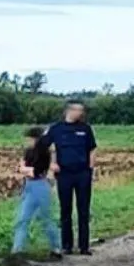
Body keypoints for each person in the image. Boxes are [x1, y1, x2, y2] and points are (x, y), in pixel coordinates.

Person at [40, 100, 97, 255]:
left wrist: (90, 169)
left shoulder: (85, 129)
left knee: (83, 210)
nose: (81, 113)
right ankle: (67, 245)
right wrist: (50, 165)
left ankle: (84, 246)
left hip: (82, 173)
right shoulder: (56, 129)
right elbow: (41, 146)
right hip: (64, 174)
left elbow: (92, 149)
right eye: (79, 110)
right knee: (65, 210)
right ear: (69, 111)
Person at [11, 126, 62, 260]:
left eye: (30, 138)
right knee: (22, 219)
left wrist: (24, 169)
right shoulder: (28, 151)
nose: (28, 141)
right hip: (29, 185)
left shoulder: (44, 153)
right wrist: (24, 169)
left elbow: (36, 170)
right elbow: (22, 167)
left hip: (40, 185)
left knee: (45, 218)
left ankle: (56, 247)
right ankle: (18, 250)